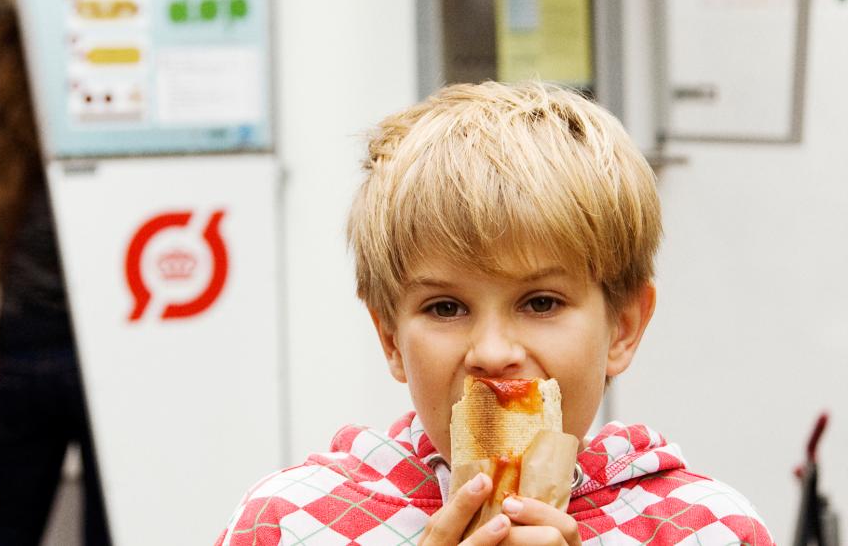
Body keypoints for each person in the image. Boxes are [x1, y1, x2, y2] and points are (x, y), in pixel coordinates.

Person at [216, 81, 775, 546]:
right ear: (389, 337)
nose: (491, 352)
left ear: (623, 327)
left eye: (540, 303)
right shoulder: (288, 523)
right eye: (446, 307)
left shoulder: (708, 529)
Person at [0, 11, 111, 546]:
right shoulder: (87, 153)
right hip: (91, 355)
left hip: (21, 353)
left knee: (15, 526)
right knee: (105, 525)